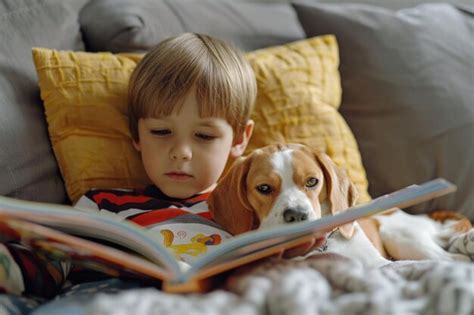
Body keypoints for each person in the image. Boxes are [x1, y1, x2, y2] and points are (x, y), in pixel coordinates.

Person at [0, 33, 324, 299]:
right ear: (136, 134)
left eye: (203, 135)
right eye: (161, 132)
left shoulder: (251, 209)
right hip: (104, 300)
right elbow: (54, 264)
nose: (181, 152)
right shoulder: (104, 204)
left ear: (239, 138)